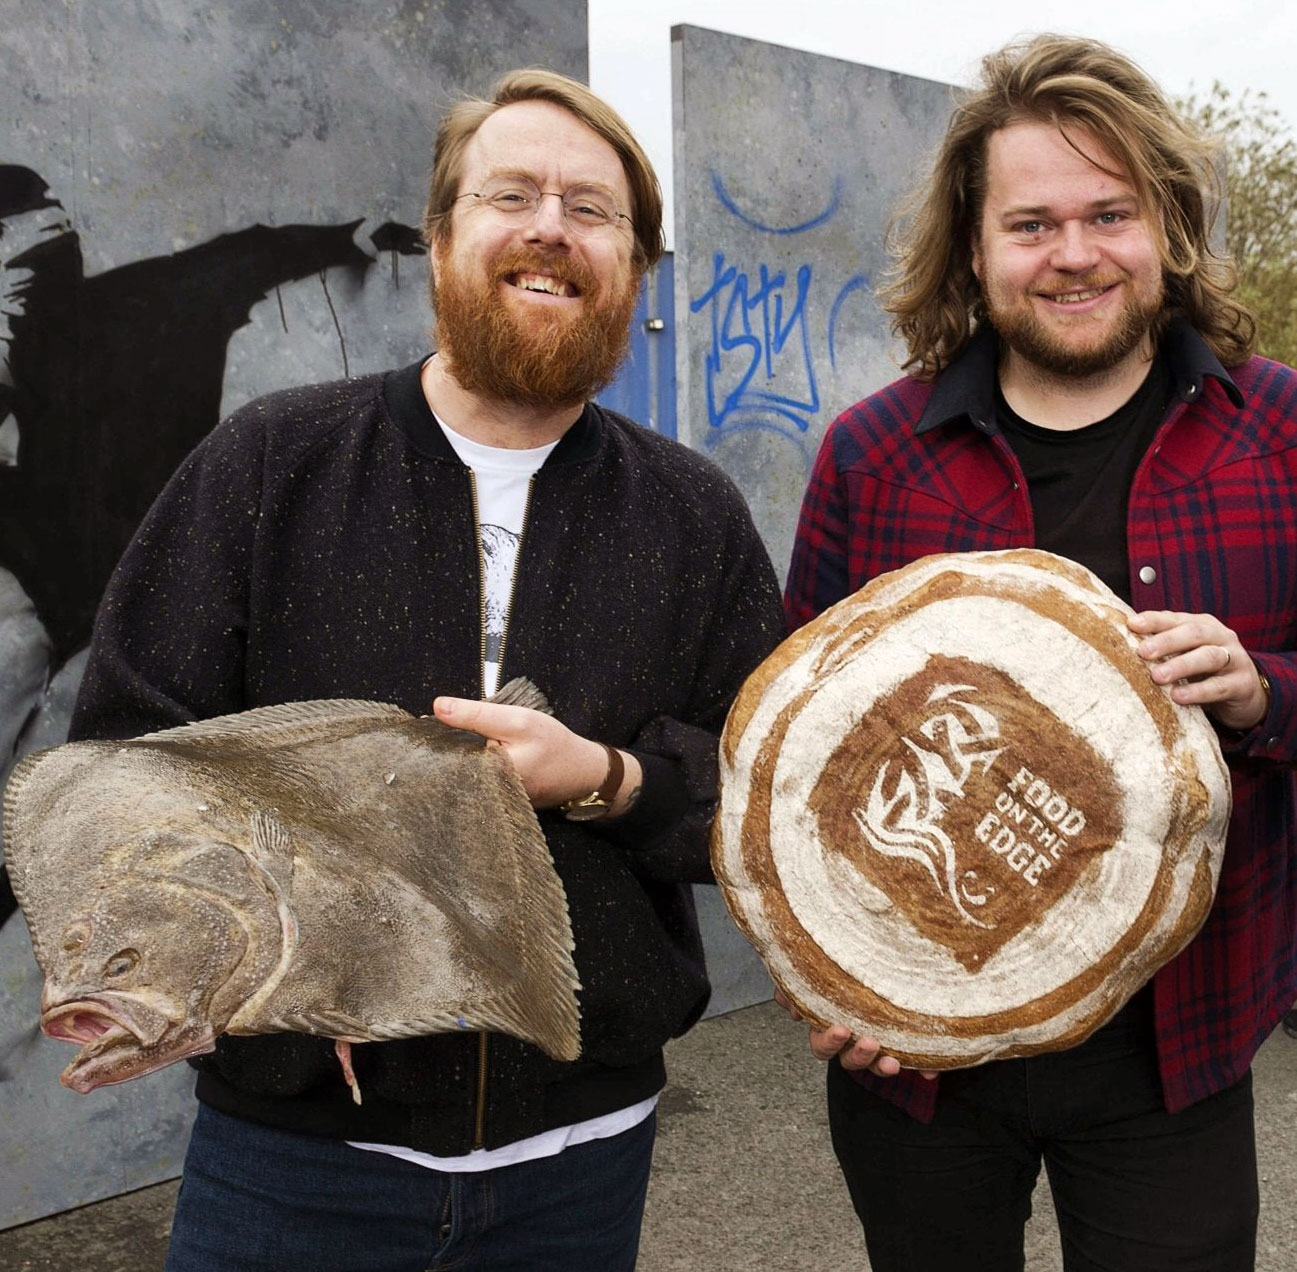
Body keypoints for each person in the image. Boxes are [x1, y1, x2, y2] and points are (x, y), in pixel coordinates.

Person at [70, 69, 783, 1272]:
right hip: (293, 1162)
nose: (551, 225)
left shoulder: (694, 517)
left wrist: (607, 779)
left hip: (581, 1162)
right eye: (512, 193)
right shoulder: (269, 466)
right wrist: (275, 956)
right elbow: (127, 754)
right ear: (443, 237)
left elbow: (765, 804)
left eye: (592, 207)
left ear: (635, 271)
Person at [784, 34, 1295, 1272]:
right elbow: (796, 766)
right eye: (1030, 224)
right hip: (926, 1063)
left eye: (1108, 213)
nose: (1072, 254)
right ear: (973, 247)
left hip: (1175, 1047)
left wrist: (1262, 694)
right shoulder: (874, 453)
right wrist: (828, 983)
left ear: (1165, 225)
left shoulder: (1278, 431)